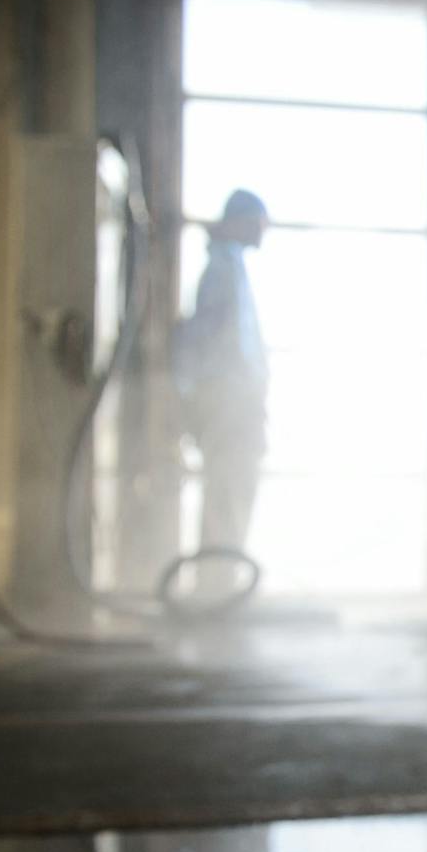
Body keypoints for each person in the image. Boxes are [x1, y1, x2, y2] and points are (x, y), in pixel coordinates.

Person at [174, 189, 271, 592]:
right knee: (227, 489)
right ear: (240, 221)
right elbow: (204, 338)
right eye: (258, 224)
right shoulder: (221, 269)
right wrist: (192, 395)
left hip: (238, 401)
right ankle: (215, 586)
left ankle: (221, 581)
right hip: (227, 400)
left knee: (234, 488)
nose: (262, 234)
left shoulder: (231, 267)